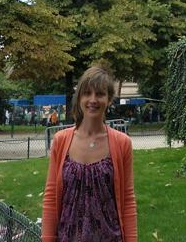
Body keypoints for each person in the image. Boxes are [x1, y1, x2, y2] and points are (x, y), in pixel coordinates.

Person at [42, 65, 137, 242]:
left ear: (109, 100)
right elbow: (51, 197)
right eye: (87, 93)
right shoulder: (61, 141)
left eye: (100, 94)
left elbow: (128, 200)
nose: (92, 99)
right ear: (79, 98)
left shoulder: (122, 143)